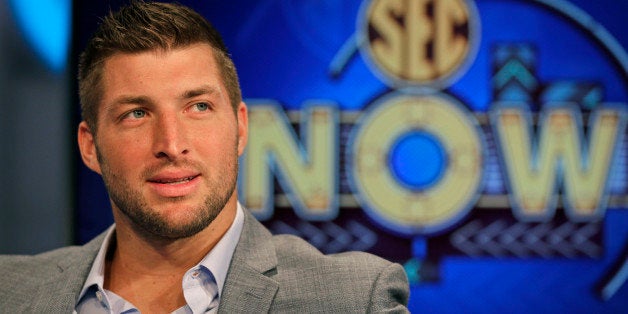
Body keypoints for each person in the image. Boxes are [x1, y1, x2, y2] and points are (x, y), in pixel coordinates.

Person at [0, 1, 409, 312]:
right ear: (90, 146)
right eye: (136, 114)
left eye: (198, 107)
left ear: (241, 127)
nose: (172, 143)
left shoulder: (352, 299)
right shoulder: (10, 292)